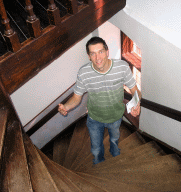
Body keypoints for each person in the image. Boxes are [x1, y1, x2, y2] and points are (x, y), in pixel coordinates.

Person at [58, 37, 141, 165]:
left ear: (107, 52)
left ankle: (115, 152)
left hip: (115, 116)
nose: (98, 58)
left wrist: (137, 103)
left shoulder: (122, 67)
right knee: (96, 148)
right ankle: (99, 163)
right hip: (94, 118)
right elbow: (76, 97)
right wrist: (66, 107)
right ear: (89, 56)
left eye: (101, 51)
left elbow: (135, 90)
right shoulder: (83, 73)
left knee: (114, 139)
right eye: (93, 53)